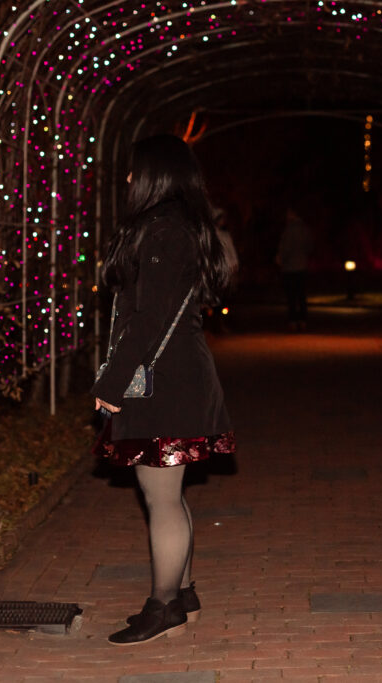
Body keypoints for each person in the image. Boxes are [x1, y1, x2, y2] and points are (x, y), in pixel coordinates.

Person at [91, 134, 235, 645]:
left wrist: (111, 383)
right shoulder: (181, 227)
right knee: (168, 493)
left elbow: (149, 319)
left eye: (136, 171)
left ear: (157, 175)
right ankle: (185, 593)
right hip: (175, 374)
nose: (129, 180)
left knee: (162, 498)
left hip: (162, 379)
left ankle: (165, 604)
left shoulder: (164, 230)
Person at [275, 208, 313, 331]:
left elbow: (286, 248)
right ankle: (303, 320)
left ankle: (293, 320)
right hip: (302, 266)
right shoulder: (305, 229)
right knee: (301, 296)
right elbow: (309, 246)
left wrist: (281, 258)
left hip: (290, 268)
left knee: (292, 296)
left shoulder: (289, 230)